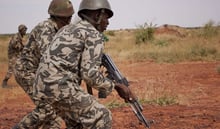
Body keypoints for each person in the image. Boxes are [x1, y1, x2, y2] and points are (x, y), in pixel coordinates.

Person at [31, 0, 136, 128]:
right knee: (101, 116)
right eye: (106, 17)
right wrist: (115, 86)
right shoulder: (93, 34)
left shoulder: (66, 29)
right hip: (60, 87)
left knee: (77, 123)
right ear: (97, 15)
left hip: (40, 87)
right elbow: (89, 75)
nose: (108, 22)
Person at [13, 0, 74, 128]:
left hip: (41, 73)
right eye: (66, 19)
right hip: (26, 71)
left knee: (54, 114)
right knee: (47, 110)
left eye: (70, 18)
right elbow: (50, 57)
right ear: (57, 17)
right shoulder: (45, 29)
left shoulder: (59, 30)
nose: (69, 22)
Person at [1, 24, 27, 88]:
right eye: (24, 30)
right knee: (11, 70)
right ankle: (4, 83)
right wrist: (24, 48)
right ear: (21, 30)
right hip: (13, 56)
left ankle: (23, 82)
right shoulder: (16, 37)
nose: (25, 32)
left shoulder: (19, 36)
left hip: (16, 55)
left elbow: (20, 46)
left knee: (22, 67)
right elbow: (15, 46)